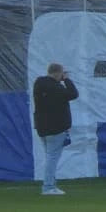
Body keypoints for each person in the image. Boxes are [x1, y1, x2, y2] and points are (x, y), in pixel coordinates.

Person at [32, 62, 79, 195]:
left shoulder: (39, 84)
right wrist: (67, 80)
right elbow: (73, 94)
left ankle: (50, 184)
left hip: (42, 127)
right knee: (52, 158)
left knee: (49, 157)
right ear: (58, 73)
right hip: (56, 128)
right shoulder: (56, 87)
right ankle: (48, 186)